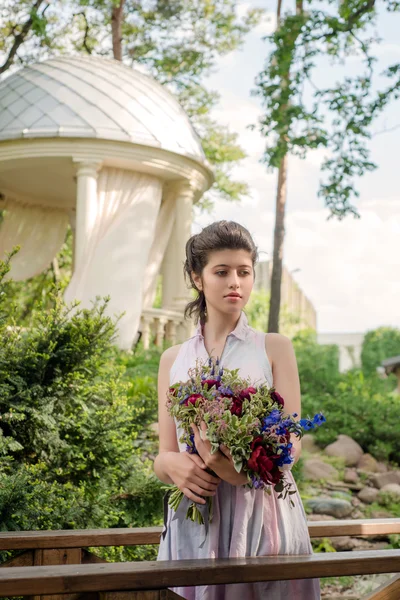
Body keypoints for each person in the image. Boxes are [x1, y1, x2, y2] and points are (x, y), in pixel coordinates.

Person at [153, 220, 320, 600]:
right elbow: (164, 453)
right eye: (222, 271)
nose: (235, 283)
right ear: (198, 278)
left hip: (263, 517)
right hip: (195, 521)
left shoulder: (274, 348)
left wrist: (234, 468)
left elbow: (291, 443)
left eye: (244, 272)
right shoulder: (172, 359)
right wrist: (172, 467)